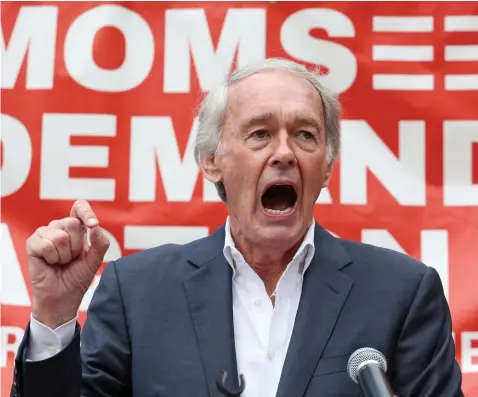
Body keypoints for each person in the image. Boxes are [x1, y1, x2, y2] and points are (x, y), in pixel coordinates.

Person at [11, 58, 463, 397]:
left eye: (306, 135)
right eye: (259, 134)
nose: (284, 152)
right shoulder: (138, 291)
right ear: (212, 161)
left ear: (326, 167)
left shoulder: (400, 292)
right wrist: (53, 315)